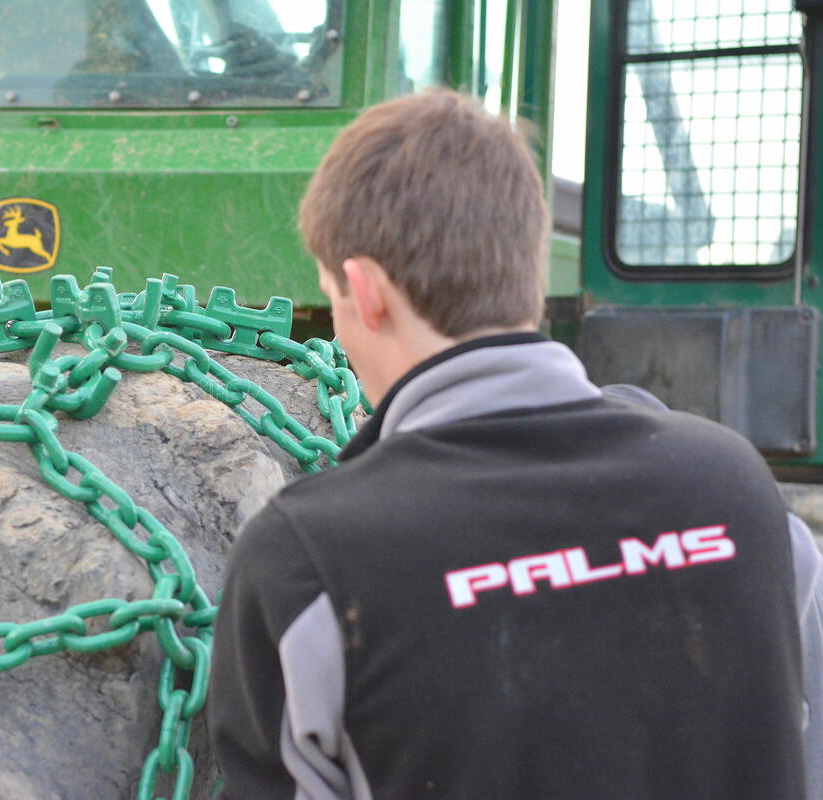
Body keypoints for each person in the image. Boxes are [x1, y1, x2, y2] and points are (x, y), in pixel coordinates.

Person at [207, 87, 819, 799]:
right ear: (526, 266)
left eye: (332, 294)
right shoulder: (740, 494)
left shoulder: (305, 566)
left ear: (365, 292)